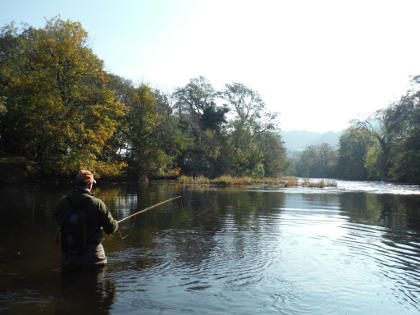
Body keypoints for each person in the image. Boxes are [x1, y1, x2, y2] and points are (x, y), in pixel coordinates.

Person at [55, 170, 118, 269]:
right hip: (93, 259)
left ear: (76, 183)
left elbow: (59, 223)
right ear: (90, 185)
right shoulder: (97, 204)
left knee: (67, 283)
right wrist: (115, 223)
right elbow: (111, 228)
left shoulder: (62, 202)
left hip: (68, 257)